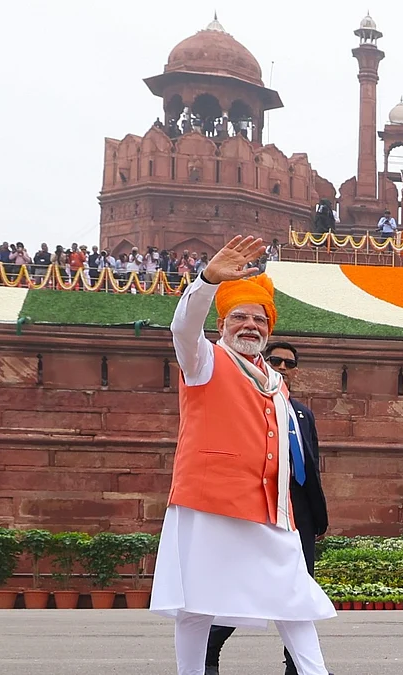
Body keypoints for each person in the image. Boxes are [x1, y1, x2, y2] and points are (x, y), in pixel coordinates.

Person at [149, 235, 337, 675]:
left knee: (294, 599)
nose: (250, 325)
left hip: (271, 510)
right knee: (196, 604)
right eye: (239, 317)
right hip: (209, 502)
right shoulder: (205, 361)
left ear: (269, 328)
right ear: (222, 324)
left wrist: (292, 511)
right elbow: (182, 328)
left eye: (259, 319)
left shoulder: (276, 382)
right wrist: (208, 280)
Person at [206, 339, 329, 675]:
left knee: (298, 588)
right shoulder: (248, 405)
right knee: (248, 584)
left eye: (290, 363)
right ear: (264, 360)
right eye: (276, 360)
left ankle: (299, 666)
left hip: (298, 509)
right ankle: (208, 651)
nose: (283, 367)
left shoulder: (302, 412)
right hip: (261, 504)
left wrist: (315, 517)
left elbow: (311, 464)